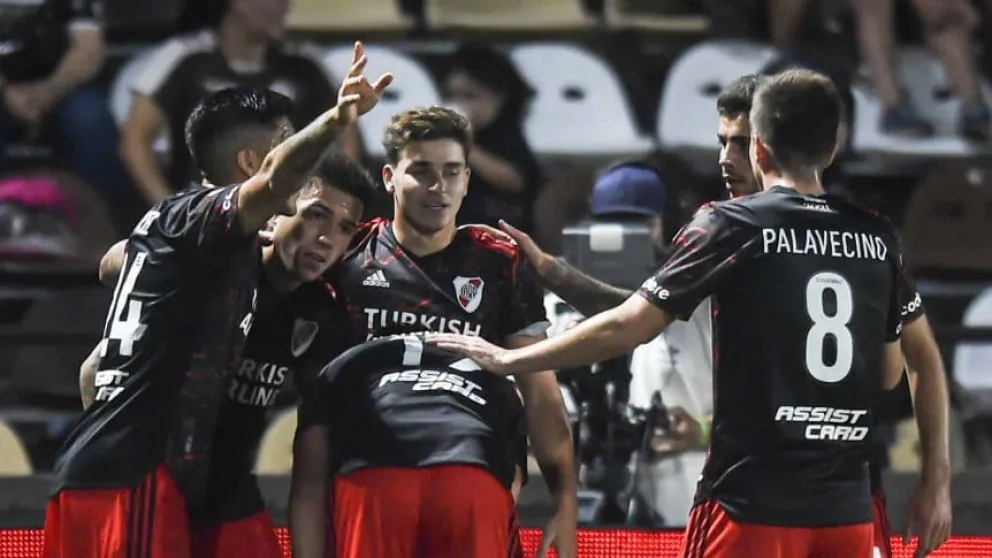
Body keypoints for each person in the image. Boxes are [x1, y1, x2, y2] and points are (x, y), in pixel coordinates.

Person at [433, 69, 952, 558]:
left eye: (737, 140)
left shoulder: (727, 226)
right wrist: (936, 481)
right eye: (720, 140)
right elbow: (900, 370)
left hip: (750, 500)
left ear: (760, 144)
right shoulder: (875, 236)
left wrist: (508, 359)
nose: (725, 157)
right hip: (849, 506)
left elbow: (633, 322)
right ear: (834, 145)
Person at [43, 43, 392, 558]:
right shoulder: (206, 220)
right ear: (252, 162)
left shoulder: (182, 232)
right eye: (286, 144)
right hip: (134, 476)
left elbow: (95, 363)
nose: (298, 159)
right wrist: (338, 118)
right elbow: (275, 182)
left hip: (118, 470)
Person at [290, 106, 577, 558]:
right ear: (389, 177)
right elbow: (316, 407)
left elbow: (541, 391)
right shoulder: (347, 256)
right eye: (421, 171)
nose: (438, 188)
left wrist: (565, 502)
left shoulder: (500, 261)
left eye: (451, 172)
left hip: (473, 464)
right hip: (372, 465)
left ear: (467, 180)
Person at [82, 154, 376, 558]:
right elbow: (107, 280)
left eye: (344, 228)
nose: (327, 238)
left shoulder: (322, 315)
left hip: (229, 496)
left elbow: (315, 454)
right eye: (316, 215)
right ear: (274, 216)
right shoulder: (222, 261)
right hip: (155, 486)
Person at [123, 0, 361, 207]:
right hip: (202, 212)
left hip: (287, 217)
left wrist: (327, 206)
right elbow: (135, 142)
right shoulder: (183, 58)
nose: (284, 6)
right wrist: (170, 211)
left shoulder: (304, 64)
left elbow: (347, 136)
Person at [441, 44, 543, 233]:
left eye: (470, 96)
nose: (459, 105)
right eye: (452, 96)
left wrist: (466, 146)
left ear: (500, 97)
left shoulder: (507, 133)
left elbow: (516, 182)